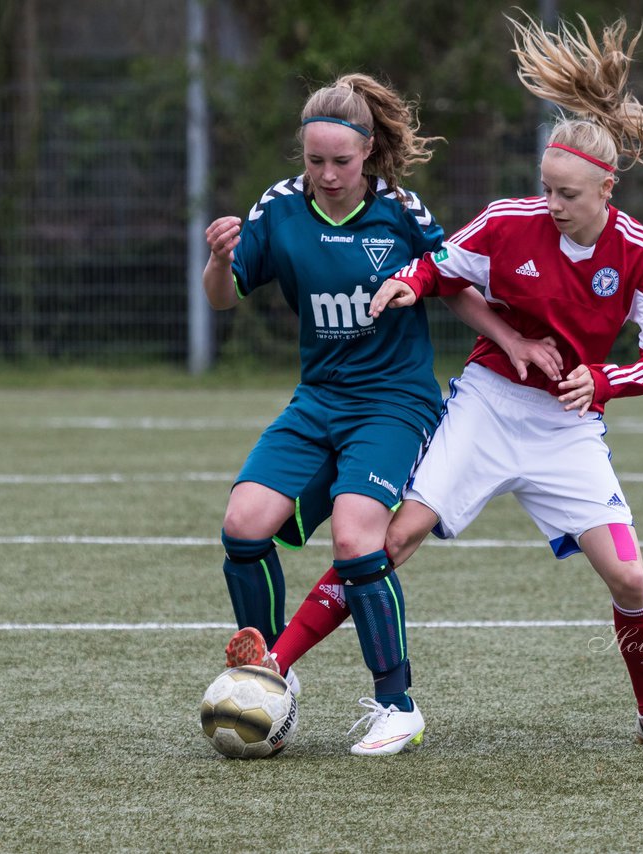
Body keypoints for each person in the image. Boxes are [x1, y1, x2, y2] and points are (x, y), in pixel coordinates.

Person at [228, 13, 643, 749]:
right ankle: (277, 668)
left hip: (567, 428)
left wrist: (603, 380)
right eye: (547, 188)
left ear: (606, 190)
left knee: (630, 581)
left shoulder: (642, 253)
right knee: (385, 544)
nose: (552, 205)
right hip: (487, 405)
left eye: (569, 195)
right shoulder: (510, 221)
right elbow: (441, 265)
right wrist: (405, 283)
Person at [204, 73, 561, 756]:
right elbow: (223, 298)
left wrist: (512, 339)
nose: (328, 174)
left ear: (368, 153)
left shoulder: (399, 211)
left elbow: (450, 279)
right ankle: (270, 670)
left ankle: (398, 705)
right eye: (315, 161)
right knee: (243, 524)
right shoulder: (279, 208)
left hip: (395, 402)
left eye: (341, 161)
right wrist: (219, 260)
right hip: (318, 400)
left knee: (355, 537)